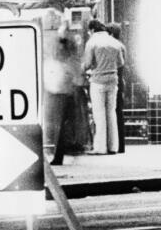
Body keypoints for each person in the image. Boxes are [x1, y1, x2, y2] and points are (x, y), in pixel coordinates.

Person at [82, 19, 126, 155]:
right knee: (111, 114)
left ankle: (100, 148)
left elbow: (88, 64)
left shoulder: (92, 42)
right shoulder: (115, 43)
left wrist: (82, 68)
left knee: (99, 115)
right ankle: (113, 147)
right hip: (113, 81)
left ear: (92, 30)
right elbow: (120, 63)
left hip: (98, 81)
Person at [43, 26, 80, 166]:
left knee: (57, 127)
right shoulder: (67, 62)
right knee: (58, 127)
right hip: (62, 94)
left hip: (59, 96)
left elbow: (62, 80)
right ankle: (57, 155)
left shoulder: (61, 63)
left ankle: (57, 156)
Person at [106, 22, 127, 154]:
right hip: (120, 81)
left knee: (117, 112)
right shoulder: (121, 46)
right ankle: (121, 146)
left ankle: (118, 145)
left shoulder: (115, 46)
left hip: (116, 82)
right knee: (118, 112)